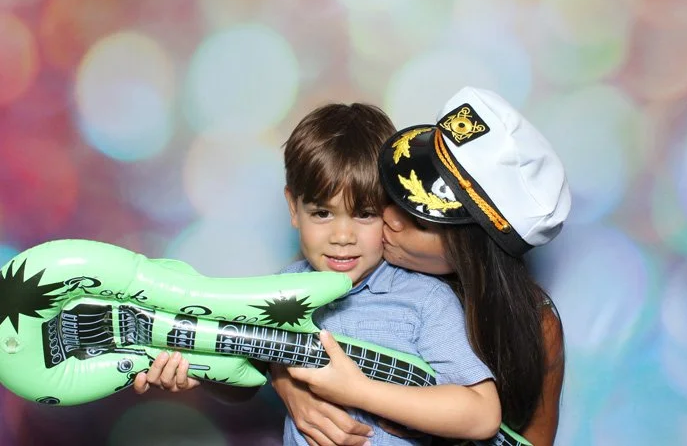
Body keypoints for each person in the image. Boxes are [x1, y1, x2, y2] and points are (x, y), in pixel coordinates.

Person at [136, 102, 503, 446]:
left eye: (364, 214)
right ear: (293, 208)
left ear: (393, 210)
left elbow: (482, 415)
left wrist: (359, 391)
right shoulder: (278, 293)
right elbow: (243, 382)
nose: (342, 237)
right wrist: (196, 371)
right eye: (322, 214)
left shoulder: (424, 299)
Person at [271, 87, 570, 446]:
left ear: (472, 250)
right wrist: (289, 384)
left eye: (420, 219)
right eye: (398, 194)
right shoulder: (339, 270)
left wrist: (361, 393)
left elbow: (498, 424)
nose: (389, 218)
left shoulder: (530, 324)